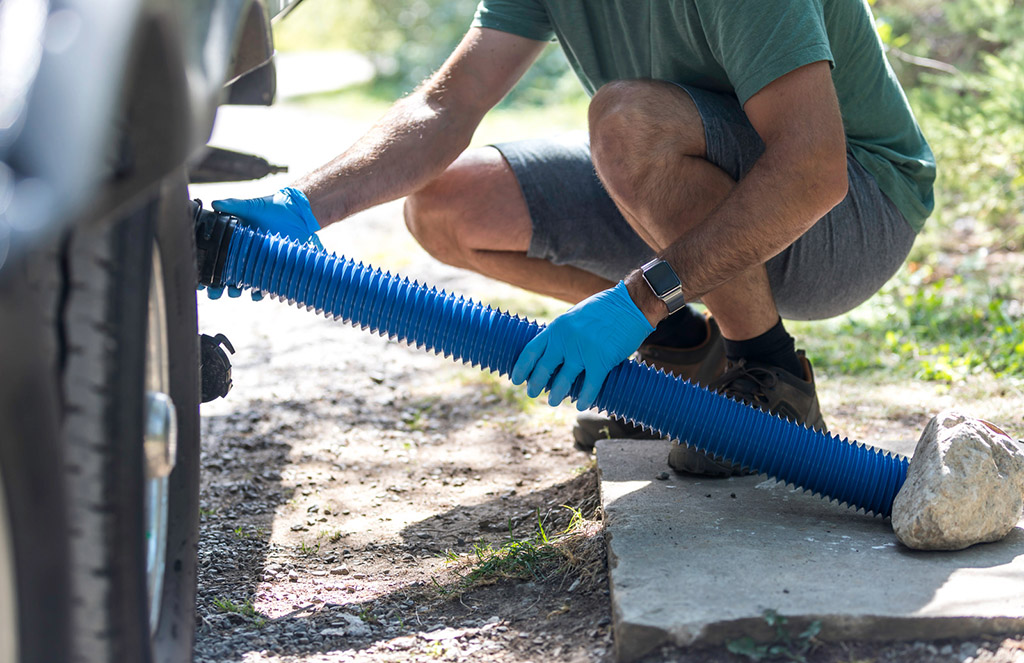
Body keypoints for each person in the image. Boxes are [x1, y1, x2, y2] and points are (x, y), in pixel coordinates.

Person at [211, 0, 935, 476]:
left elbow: (811, 171)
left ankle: (768, 375)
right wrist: (302, 204)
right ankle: (687, 357)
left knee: (626, 121)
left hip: (854, 212)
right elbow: (448, 101)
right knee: (447, 204)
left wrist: (637, 298)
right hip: (691, 177)